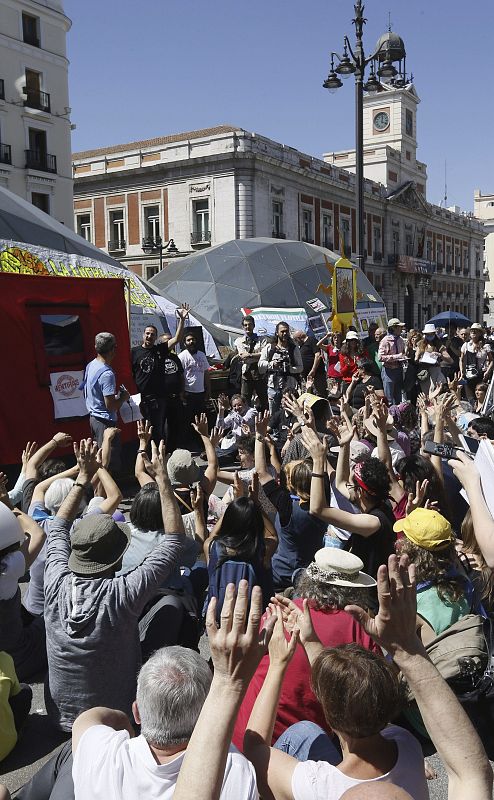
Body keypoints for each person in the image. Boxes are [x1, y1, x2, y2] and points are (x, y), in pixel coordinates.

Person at [241, 555, 493, 800]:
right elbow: (471, 772)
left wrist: (279, 663)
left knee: (303, 732)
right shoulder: (406, 746)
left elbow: (253, 749)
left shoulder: (316, 784)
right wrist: (407, 648)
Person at [43, 438, 186, 731]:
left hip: (60, 718)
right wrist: (163, 483)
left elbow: (57, 525)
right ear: (116, 559)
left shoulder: (54, 577)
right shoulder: (122, 594)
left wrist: (83, 476)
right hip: (114, 721)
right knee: (171, 605)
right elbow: (173, 541)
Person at [232, 548, 381, 749]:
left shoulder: (282, 611)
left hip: (247, 733)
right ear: (356, 590)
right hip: (297, 745)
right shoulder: (358, 627)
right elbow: (374, 693)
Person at [131, 308, 189, 448]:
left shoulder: (159, 350)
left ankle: (159, 458)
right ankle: (144, 458)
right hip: (140, 399)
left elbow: (176, 339)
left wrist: (181, 320)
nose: (149, 336)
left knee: (158, 430)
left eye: (152, 334)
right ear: (143, 335)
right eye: (147, 333)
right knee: (143, 430)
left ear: (156, 337)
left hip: (158, 398)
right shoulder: (134, 352)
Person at [81, 332, 129, 471]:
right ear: (112, 349)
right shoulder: (107, 374)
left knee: (99, 458)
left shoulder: (91, 365)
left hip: (94, 418)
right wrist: (123, 397)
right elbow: (111, 406)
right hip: (105, 422)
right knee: (108, 461)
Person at [259, 322, 303, 414]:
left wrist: (289, 368)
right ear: (277, 333)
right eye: (282, 331)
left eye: (286, 331)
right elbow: (260, 366)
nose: (284, 334)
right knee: (274, 415)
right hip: (273, 387)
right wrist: (272, 364)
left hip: (289, 388)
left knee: (290, 413)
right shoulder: (269, 348)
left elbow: (300, 367)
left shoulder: (293, 349)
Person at [179, 332, 211, 448]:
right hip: (188, 392)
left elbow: (206, 373)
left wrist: (208, 389)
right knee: (188, 420)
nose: (191, 342)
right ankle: (188, 444)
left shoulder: (202, 355)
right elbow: (181, 376)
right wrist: (182, 392)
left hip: (200, 392)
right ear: (184, 343)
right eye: (188, 340)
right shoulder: (182, 356)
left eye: (193, 339)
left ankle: (201, 441)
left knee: (201, 419)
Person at [234, 315, 268, 411]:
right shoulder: (239, 341)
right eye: (245, 325)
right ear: (242, 327)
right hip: (247, 374)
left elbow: (264, 355)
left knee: (263, 400)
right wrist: (256, 356)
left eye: (250, 324)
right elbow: (242, 356)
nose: (247, 327)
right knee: (245, 400)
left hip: (260, 374)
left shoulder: (262, 340)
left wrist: (249, 355)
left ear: (254, 325)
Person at [415, 323, 452, 395]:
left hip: (435, 371)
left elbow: (450, 360)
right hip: (424, 372)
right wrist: (419, 358)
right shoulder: (420, 344)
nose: (429, 336)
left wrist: (440, 355)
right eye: (427, 334)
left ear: (434, 334)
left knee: (436, 392)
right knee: (426, 394)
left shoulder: (439, 344)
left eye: (431, 334)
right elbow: (416, 358)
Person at [460, 323, 493, 400]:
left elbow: (491, 361)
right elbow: (461, 360)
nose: (473, 332)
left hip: (481, 375)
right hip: (468, 375)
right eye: (472, 331)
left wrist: (487, 371)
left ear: (480, 333)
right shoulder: (466, 345)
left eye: (476, 331)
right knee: (470, 398)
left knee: (480, 396)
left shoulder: (485, 346)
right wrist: (462, 372)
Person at [378, 318, 407, 405]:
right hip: (388, 371)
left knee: (398, 397)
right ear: (393, 328)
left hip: (398, 369)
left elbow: (403, 353)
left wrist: (404, 357)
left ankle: (398, 416)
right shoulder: (385, 341)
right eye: (399, 327)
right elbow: (380, 357)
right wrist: (396, 357)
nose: (401, 329)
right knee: (389, 398)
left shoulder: (400, 340)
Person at [292, 330, 327, 396]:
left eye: (296, 340)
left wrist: (313, 370)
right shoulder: (302, 346)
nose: (296, 342)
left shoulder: (311, 341)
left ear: (299, 337)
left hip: (317, 375)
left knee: (319, 395)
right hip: (307, 376)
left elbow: (318, 355)